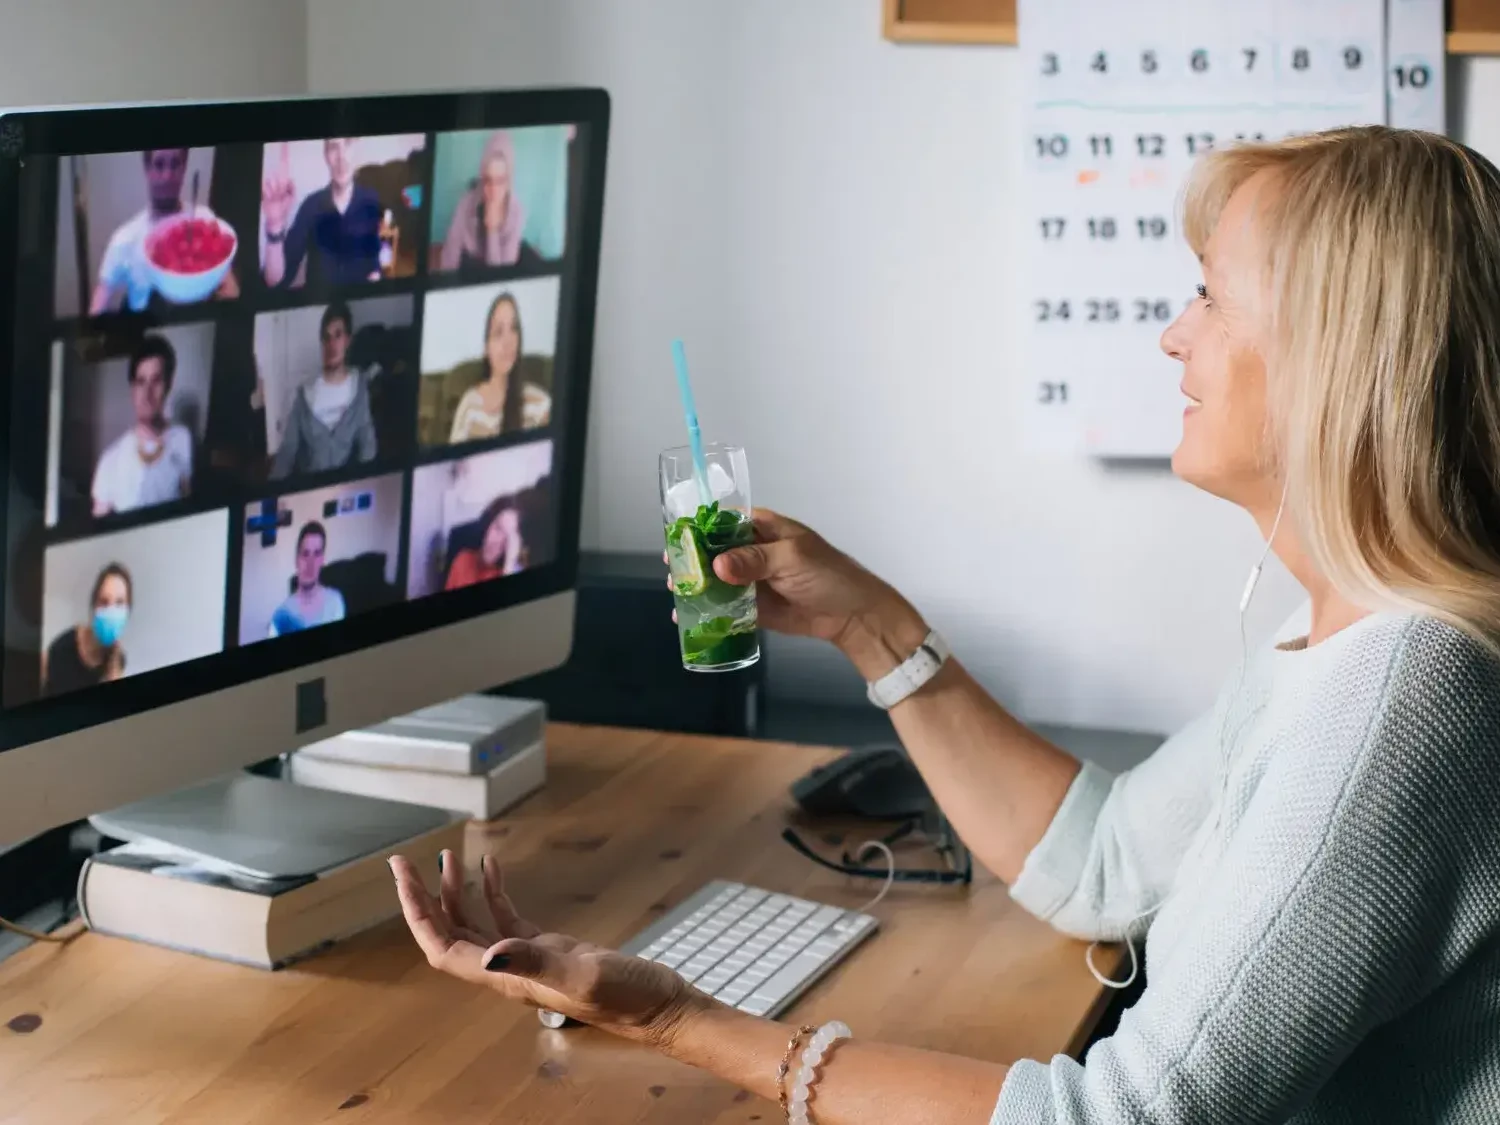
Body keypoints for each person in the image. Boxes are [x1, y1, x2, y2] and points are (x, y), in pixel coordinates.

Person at [391, 127, 1500, 1123]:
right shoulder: (1353, 641)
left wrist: (679, 1020)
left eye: (1210, 298)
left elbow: (1120, 1121)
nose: (1174, 337)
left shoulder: (1400, 704)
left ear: (1333, 358)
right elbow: (1104, 864)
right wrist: (869, 625)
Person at [89, 148, 238, 314]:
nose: (167, 176)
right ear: (147, 169)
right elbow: (97, 308)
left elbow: (229, 285)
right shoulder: (124, 239)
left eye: (175, 164)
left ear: (184, 167)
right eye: (159, 165)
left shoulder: (205, 219)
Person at [270, 302, 377, 479]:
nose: (331, 344)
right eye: (326, 338)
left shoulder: (359, 389)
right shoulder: (304, 396)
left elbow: (368, 444)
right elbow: (287, 452)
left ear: (347, 341)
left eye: (337, 335)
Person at [91, 335, 193, 516]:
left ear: (168, 385)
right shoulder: (110, 460)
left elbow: (189, 504)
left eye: (156, 381)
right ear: (132, 390)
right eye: (140, 382)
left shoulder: (183, 438)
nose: (147, 393)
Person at [261, 138, 383, 289]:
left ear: (357, 150)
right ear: (326, 155)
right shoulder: (311, 206)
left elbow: (373, 256)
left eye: (348, 144)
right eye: (333, 147)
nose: (341, 157)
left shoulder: (371, 200)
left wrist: (376, 274)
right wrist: (275, 225)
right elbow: (276, 281)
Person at [447, 293, 552, 444]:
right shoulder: (469, 405)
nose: (508, 341)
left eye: (514, 328)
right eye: (498, 332)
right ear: (486, 348)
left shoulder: (541, 404)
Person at [437, 131, 544, 272]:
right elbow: (451, 253)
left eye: (500, 181)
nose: (493, 190)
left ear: (509, 180)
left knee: (532, 260)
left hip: (499, 266)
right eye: (488, 180)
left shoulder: (517, 211)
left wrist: (492, 230)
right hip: (472, 261)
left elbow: (501, 272)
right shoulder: (466, 203)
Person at [41, 564, 131, 697]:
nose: (111, 611)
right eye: (104, 602)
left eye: (119, 603)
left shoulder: (119, 659)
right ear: (93, 607)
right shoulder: (61, 649)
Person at [269, 522, 345, 637]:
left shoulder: (335, 602)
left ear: (322, 560)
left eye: (317, 554)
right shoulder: (281, 617)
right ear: (296, 560)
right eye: (305, 554)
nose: (310, 563)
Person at [444, 495, 526, 591]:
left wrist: (508, 566)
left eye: (508, 539)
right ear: (487, 524)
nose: (497, 541)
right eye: (498, 528)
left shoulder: (509, 571)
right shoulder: (462, 560)